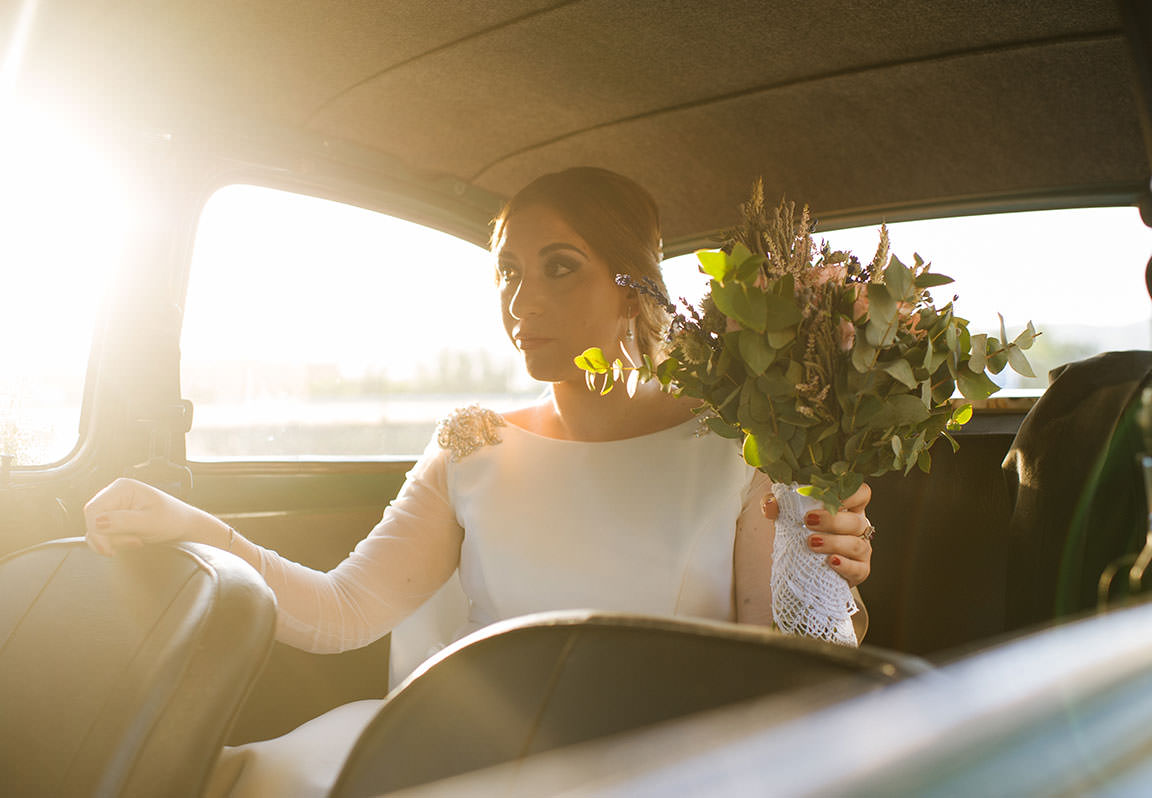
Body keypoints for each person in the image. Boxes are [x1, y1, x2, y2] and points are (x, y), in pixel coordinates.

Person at [83, 167, 874, 797]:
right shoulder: (472, 445)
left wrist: (824, 570)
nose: (521, 302)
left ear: (633, 286)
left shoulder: (740, 447)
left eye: (560, 269)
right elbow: (341, 611)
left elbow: (775, 666)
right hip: (479, 758)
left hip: (656, 767)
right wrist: (189, 525)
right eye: (508, 272)